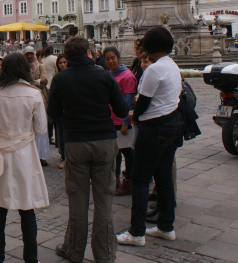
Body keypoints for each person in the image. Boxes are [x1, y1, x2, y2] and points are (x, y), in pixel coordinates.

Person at [48, 36, 128, 263]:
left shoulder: (60, 79)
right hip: (104, 141)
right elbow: (122, 109)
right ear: (87, 54)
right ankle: (104, 255)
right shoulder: (104, 76)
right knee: (104, 200)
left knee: (77, 200)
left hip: (75, 143)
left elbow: (54, 112)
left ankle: (73, 250)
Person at [0, 52, 48, 263]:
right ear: (26, 68)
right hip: (24, 154)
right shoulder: (33, 94)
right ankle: (31, 259)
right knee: (27, 207)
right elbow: (42, 129)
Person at [117, 27, 184, 247]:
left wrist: (134, 113)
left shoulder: (153, 70)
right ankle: (166, 226)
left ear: (150, 46)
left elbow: (143, 102)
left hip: (153, 128)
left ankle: (137, 232)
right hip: (172, 123)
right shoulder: (172, 66)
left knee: (140, 179)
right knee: (164, 177)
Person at [103, 46, 137, 196]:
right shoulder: (109, 74)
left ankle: (128, 181)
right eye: (107, 59)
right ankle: (115, 179)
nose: (110, 61)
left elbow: (128, 101)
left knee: (127, 152)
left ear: (118, 58)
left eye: (113, 58)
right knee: (114, 152)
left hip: (122, 121)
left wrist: (125, 122)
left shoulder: (127, 76)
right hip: (111, 120)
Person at [24, 46, 50, 167]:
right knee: (29, 127)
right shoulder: (22, 68)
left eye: (31, 53)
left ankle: (42, 155)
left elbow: (45, 81)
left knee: (41, 126)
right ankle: (30, 155)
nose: (29, 56)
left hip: (41, 99)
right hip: (26, 99)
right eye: (27, 54)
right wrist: (38, 82)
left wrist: (37, 82)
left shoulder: (41, 66)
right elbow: (25, 83)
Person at [40, 46, 58, 145]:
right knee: (53, 113)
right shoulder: (54, 59)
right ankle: (55, 136)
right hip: (52, 86)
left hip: (44, 87)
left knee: (47, 113)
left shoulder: (42, 60)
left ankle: (49, 135)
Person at [54, 54, 68, 169]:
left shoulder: (72, 75)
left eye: (65, 62)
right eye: (60, 63)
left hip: (70, 110)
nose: (63, 64)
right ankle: (64, 158)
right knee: (62, 135)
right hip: (61, 111)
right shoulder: (56, 77)